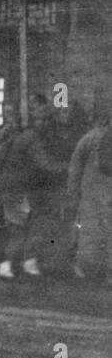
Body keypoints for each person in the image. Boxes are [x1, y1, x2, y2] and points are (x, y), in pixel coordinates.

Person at [0, 98, 70, 279]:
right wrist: (69, 167)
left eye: (47, 120)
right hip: (18, 190)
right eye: (40, 119)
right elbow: (46, 164)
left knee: (24, 227)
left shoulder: (21, 136)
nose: (45, 123)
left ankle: (22, 263)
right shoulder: (32, 139)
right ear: (33, 121)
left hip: (14, 188)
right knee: (20, 228)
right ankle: (8, 265)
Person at [68, 112, 112, 283]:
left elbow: (75, 167)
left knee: (91, 231)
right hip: (101, 192)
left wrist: (73, 191)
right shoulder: (93, 138)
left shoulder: (90, 137)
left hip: (92, 192)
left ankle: (86, 270)